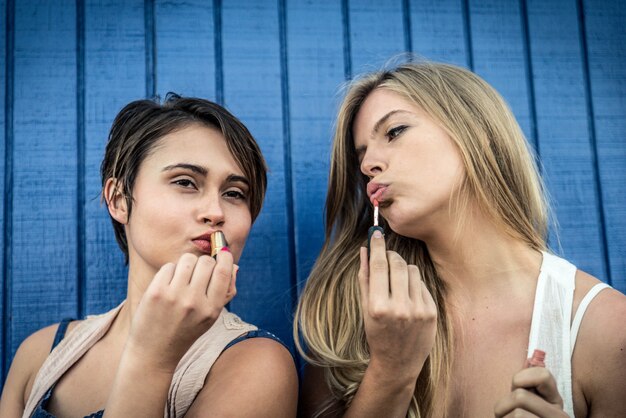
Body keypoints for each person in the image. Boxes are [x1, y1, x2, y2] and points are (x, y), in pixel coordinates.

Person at [295, 62, 626, 417]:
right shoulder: (352, 311)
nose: (368, 165)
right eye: (361, 156)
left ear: (475, 132)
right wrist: (391, 371)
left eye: (394, 131)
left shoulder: (607, 330)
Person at [0, 94, 298, 418]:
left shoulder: (256, 364)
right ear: (118, 200)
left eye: (234, 193)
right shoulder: (39, 354)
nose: (216, 212)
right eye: (185, 182)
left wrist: (151, 360)